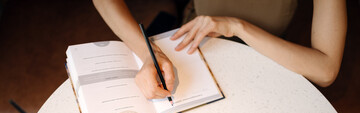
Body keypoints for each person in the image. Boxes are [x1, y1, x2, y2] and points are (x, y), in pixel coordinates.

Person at [92, 0, 347, 100]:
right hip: (199, 44)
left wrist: (237, 27)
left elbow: (326, 69)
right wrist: (148, 52)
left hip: (269, 55)